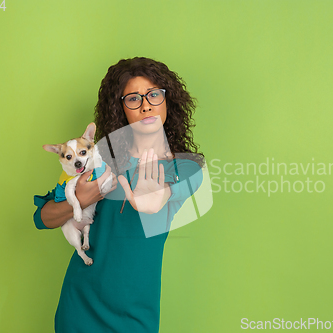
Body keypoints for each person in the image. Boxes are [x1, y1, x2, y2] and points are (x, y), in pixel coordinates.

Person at [33, 57, 204, 333]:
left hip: (137, 314)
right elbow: (41, 217)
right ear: (120, 108)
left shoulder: (183, 166)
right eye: (133, 98)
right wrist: (84, 198)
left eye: (154, 95)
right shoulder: (98, 161)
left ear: (167, 101)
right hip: (80, 306)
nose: (146, 104)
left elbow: (191, 181)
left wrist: (162, 195)